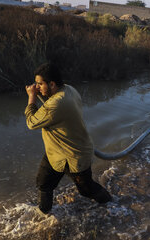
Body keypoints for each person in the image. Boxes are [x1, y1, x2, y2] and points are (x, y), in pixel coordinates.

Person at [25, 63, 111, 214]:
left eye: (39, 84)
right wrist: (39, 93)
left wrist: (32, 97)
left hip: (73, 156)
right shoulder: (68, 89)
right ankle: (44, 213)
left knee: (86, 189)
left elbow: (32, 123)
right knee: (43, 184)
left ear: (52, 84)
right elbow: (50, 107)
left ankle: (112, 204)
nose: (36, 87)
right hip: (56, 152)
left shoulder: (57, 104)